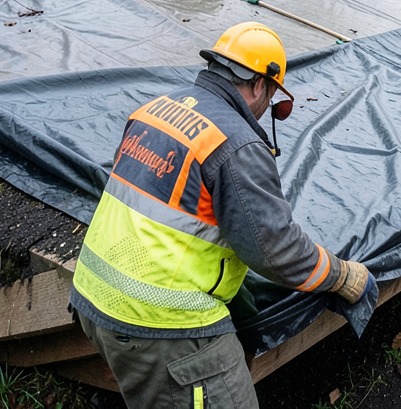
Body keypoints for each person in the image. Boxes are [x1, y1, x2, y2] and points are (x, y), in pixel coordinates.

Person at [70, 22, 374, 408]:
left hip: (91, 299)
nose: (268, 111)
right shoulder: (235, 143)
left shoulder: (152, 110)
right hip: (164, 325)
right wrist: (341, 276)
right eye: (273, 100)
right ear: (262, 84)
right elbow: (274, 248)